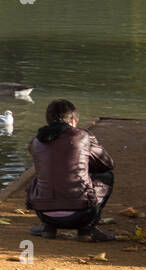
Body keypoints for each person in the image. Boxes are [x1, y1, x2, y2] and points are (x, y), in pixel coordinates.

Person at [26, 99, 115, 241]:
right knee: (106, 176)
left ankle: (48, 227)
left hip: (43, 212)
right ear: (73, 120)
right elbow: (107, 164)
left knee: (44, 174)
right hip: (81, 214)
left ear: (48, 120)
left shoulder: (35, 141)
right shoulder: (84, 136)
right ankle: (87, 230)